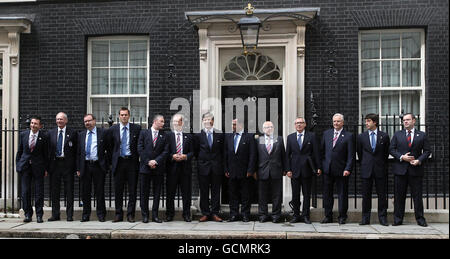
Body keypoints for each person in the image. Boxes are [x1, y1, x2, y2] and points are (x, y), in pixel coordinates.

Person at [389, 113, 431, 227]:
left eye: (408, 120)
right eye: (404, 120)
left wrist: (419, 160)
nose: (405, 122)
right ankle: (398, 219)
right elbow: (391, 149)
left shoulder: (421, 135)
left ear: (414, 121)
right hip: (400, 170)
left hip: (415, 170)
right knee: (399, 196)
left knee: (417, 196)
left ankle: (420, 219)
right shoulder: (398, 134)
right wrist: (402, 157)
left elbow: (427, 151)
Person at [106, 107, 141, 223]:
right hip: (119, 162)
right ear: (119, 116)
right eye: (122, 115)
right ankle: (118, 214)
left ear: (129, 116)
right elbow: (110, 147)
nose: (124, 117)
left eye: (126, 115)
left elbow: (138, 146)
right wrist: (113, 160)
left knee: (132, 190)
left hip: (131, 162)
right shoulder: (113, 129)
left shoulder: (136, 128)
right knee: (118, 190)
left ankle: (130, 215)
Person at [319, 113, 354, 224]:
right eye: (334, 121)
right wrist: (321, 166)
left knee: (342, 194)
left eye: (338, 121)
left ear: (342, 122)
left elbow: (351, 155)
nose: (336, 123)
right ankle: (328, 216)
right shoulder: (326, 134)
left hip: (342, 170)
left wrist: (348, 168)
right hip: (327, 169)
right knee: (327, 194)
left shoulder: (348, 136)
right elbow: (322, 152)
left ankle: (342, 216)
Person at [285, 117, 320, 224]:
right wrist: (288, 169)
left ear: (305, 124)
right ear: (295, 125)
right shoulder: (290, 137)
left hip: (307, 169)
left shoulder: (312, 136)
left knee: (306, 194)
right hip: (294, 170)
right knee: (295, 194)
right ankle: (296, 215)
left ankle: (305, 216)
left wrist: (318, 167)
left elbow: (316, 153)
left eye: (301, 123)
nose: (299, 125)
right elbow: (287, 155)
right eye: (297, 123)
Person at [356, 113, 390, 226]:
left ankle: (383, 218)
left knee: (382, 195)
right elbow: (360, 153)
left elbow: (386, 153)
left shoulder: (384, 136)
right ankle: (365, 218)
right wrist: (365, 163)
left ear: (375, 122)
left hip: (380, 169)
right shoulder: (361, 137)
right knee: (366, 195)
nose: (366, 123)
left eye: (368, 121)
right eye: (366, 121)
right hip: (366, 169)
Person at [76, 114, 109, 222]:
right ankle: (86, 214)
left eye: (89, 121)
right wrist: (78, 168)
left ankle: (101, 214)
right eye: (85, 121)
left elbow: (109, 149)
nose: (87, 123)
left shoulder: (102, 133)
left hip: (98, 166)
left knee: (99, 191)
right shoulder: (81, 135)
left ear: (94, 121)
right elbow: (78, 153)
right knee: (85, 192)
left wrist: (106, 164)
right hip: (85, 166)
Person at [16, 116, 48, 223]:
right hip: (25, 167)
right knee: (25, 192)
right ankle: (28, 214)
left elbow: (46, 154)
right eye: (32, 123)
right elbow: (19, 151)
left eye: (35, 124)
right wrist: (18, 165)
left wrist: (46, 169)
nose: (33, 125)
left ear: (40, 126)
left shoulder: (44, 136)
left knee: (39, 192)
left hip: (38, 167)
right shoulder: (23, 134)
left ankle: (39, 215)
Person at [138, 114, 169, 223]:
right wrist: (148, 161)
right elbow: (140, 148)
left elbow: (166, 151)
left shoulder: (164, 135)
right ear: (155, 121)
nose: (163, 123)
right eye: (161, 121)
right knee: (144, 193)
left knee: (157, 193)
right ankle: (145, 215)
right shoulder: (143, 133)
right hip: (145, 168)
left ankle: (155, 216)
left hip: (158, 168)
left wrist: (156, 161)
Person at [224, 119, 256, 222]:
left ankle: (245, 215)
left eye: (235, 124)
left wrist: (250, 170)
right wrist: (226, 169)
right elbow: (225, 155)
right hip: (232, 171)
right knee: (233, 194)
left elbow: (252, 155)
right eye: (232, 124)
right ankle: (233, 214)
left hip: (245, 171)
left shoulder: (249, 137)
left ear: (241, 125)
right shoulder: (228, 137)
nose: (233, 126)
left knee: (245, 194)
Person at [194, 112, 224, 222]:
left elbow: (222, 151)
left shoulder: (219, 134)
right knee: (204, 191)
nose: (207, 121)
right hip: (203, 167)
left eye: (209, 119)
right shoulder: (198, 135)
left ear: (213, 121)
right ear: (203, 121)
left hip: (216, 167)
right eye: (205, 120)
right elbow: (196, 151)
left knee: (216, 191)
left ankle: (215, 213)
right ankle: (205, 213)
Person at [47, 112, 77, 222]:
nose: (59, 121)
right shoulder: (51, 133)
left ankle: (69, 215)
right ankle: (55, 214)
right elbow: (48, 151)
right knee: (55, 191)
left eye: (61, 119)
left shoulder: (73, 133)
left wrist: (76, 167)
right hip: (55, 165)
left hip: (67, 165)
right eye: (58, 119)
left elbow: (76, 151)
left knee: (69, 191)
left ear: (66, 121)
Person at [165, 114, 195, 222]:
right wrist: (172, 156)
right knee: (170, 193)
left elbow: (192, 152)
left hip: (185, 169)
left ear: (182, 123)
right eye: (174, 122)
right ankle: (169, 214)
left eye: (177, 121)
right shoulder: (168, 136)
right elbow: (165, 152)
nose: (175, 124)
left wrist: (186, 156)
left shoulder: (188, 136)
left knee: (186, 194)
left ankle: (186, 215)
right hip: (172, 169)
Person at [256, 121, 286, 223]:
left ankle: (276, 216)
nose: (268, 129)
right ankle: (262, 215)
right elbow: (255, 157)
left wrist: (286, 169)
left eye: (270, 127)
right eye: (266, 127)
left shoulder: (279, 139)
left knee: (276, 195)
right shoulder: (259, 140)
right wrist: (254, 171)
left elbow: (283, 155)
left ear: (273, 128)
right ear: (263, 129)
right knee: (262, 195)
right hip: (262, 171)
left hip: (276, 171)